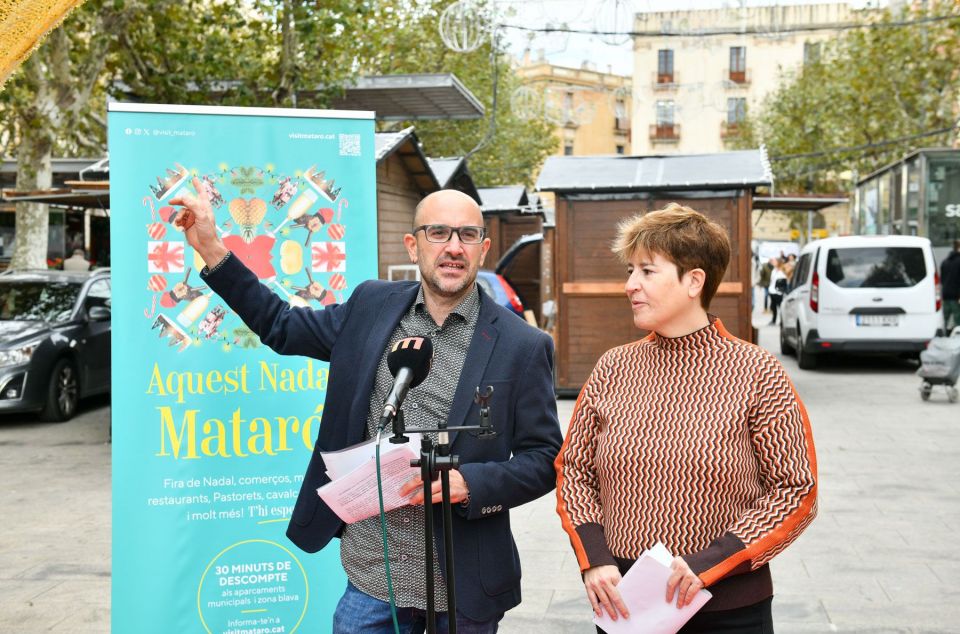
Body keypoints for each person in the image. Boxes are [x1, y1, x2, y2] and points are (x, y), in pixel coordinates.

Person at [172, 181, 562, 633]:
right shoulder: (371, 306)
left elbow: (544, 460)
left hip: (462, 587)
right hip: (373, 582)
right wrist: (213, 248)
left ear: (483, 247)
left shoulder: (523, 346)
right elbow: (280, 325)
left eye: (467, 235)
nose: (453, 247)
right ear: (413, 245)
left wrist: (468, 482)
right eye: (439, 233)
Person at [555, 203, 817, 633]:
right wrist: (595, 560)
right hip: (627, 606)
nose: (630, 285)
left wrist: (711, 563)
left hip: (730, 612)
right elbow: (575, 472)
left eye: (646, 271)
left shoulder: (757, 371)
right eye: (629, 271)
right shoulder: (613, 367)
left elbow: (795, 489)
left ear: (694, 280)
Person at [941, 239, 960, 332]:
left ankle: (945, 335)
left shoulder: (945, 262)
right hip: (956, 296)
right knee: (958, 321)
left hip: (945, 294)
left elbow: (942, 280)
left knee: (944, 320)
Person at [768, 258, 787, 326]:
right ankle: (773, 320)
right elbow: (771, 280)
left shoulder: (782, 271)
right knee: (773, 307)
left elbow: (784, 281)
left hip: (778, 292)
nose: (773, 262)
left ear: (778, 262)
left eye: (775, 261)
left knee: (780, 307)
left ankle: (782, 321)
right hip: (772, 291)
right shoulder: (773, 270)